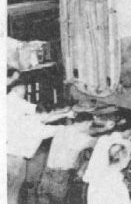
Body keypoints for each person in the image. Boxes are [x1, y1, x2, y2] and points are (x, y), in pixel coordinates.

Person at [7, 68, 61, 204]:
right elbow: (57, 128)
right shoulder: (38, 127)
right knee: (13, 193)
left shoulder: (26, 119)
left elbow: (40, 115)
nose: (25, 91)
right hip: (16, 161)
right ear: (16, 89)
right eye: (24, 89)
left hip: (8, 155)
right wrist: (66, 114)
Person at [37, 112, 96, 204]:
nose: (89, 127)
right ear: (87, 123)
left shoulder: (60, 129)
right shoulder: (83, 137)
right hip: (62, 174)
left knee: (43, 200)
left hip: (48, 171)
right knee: (58, 201)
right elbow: (97, 143)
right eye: (90, 125)